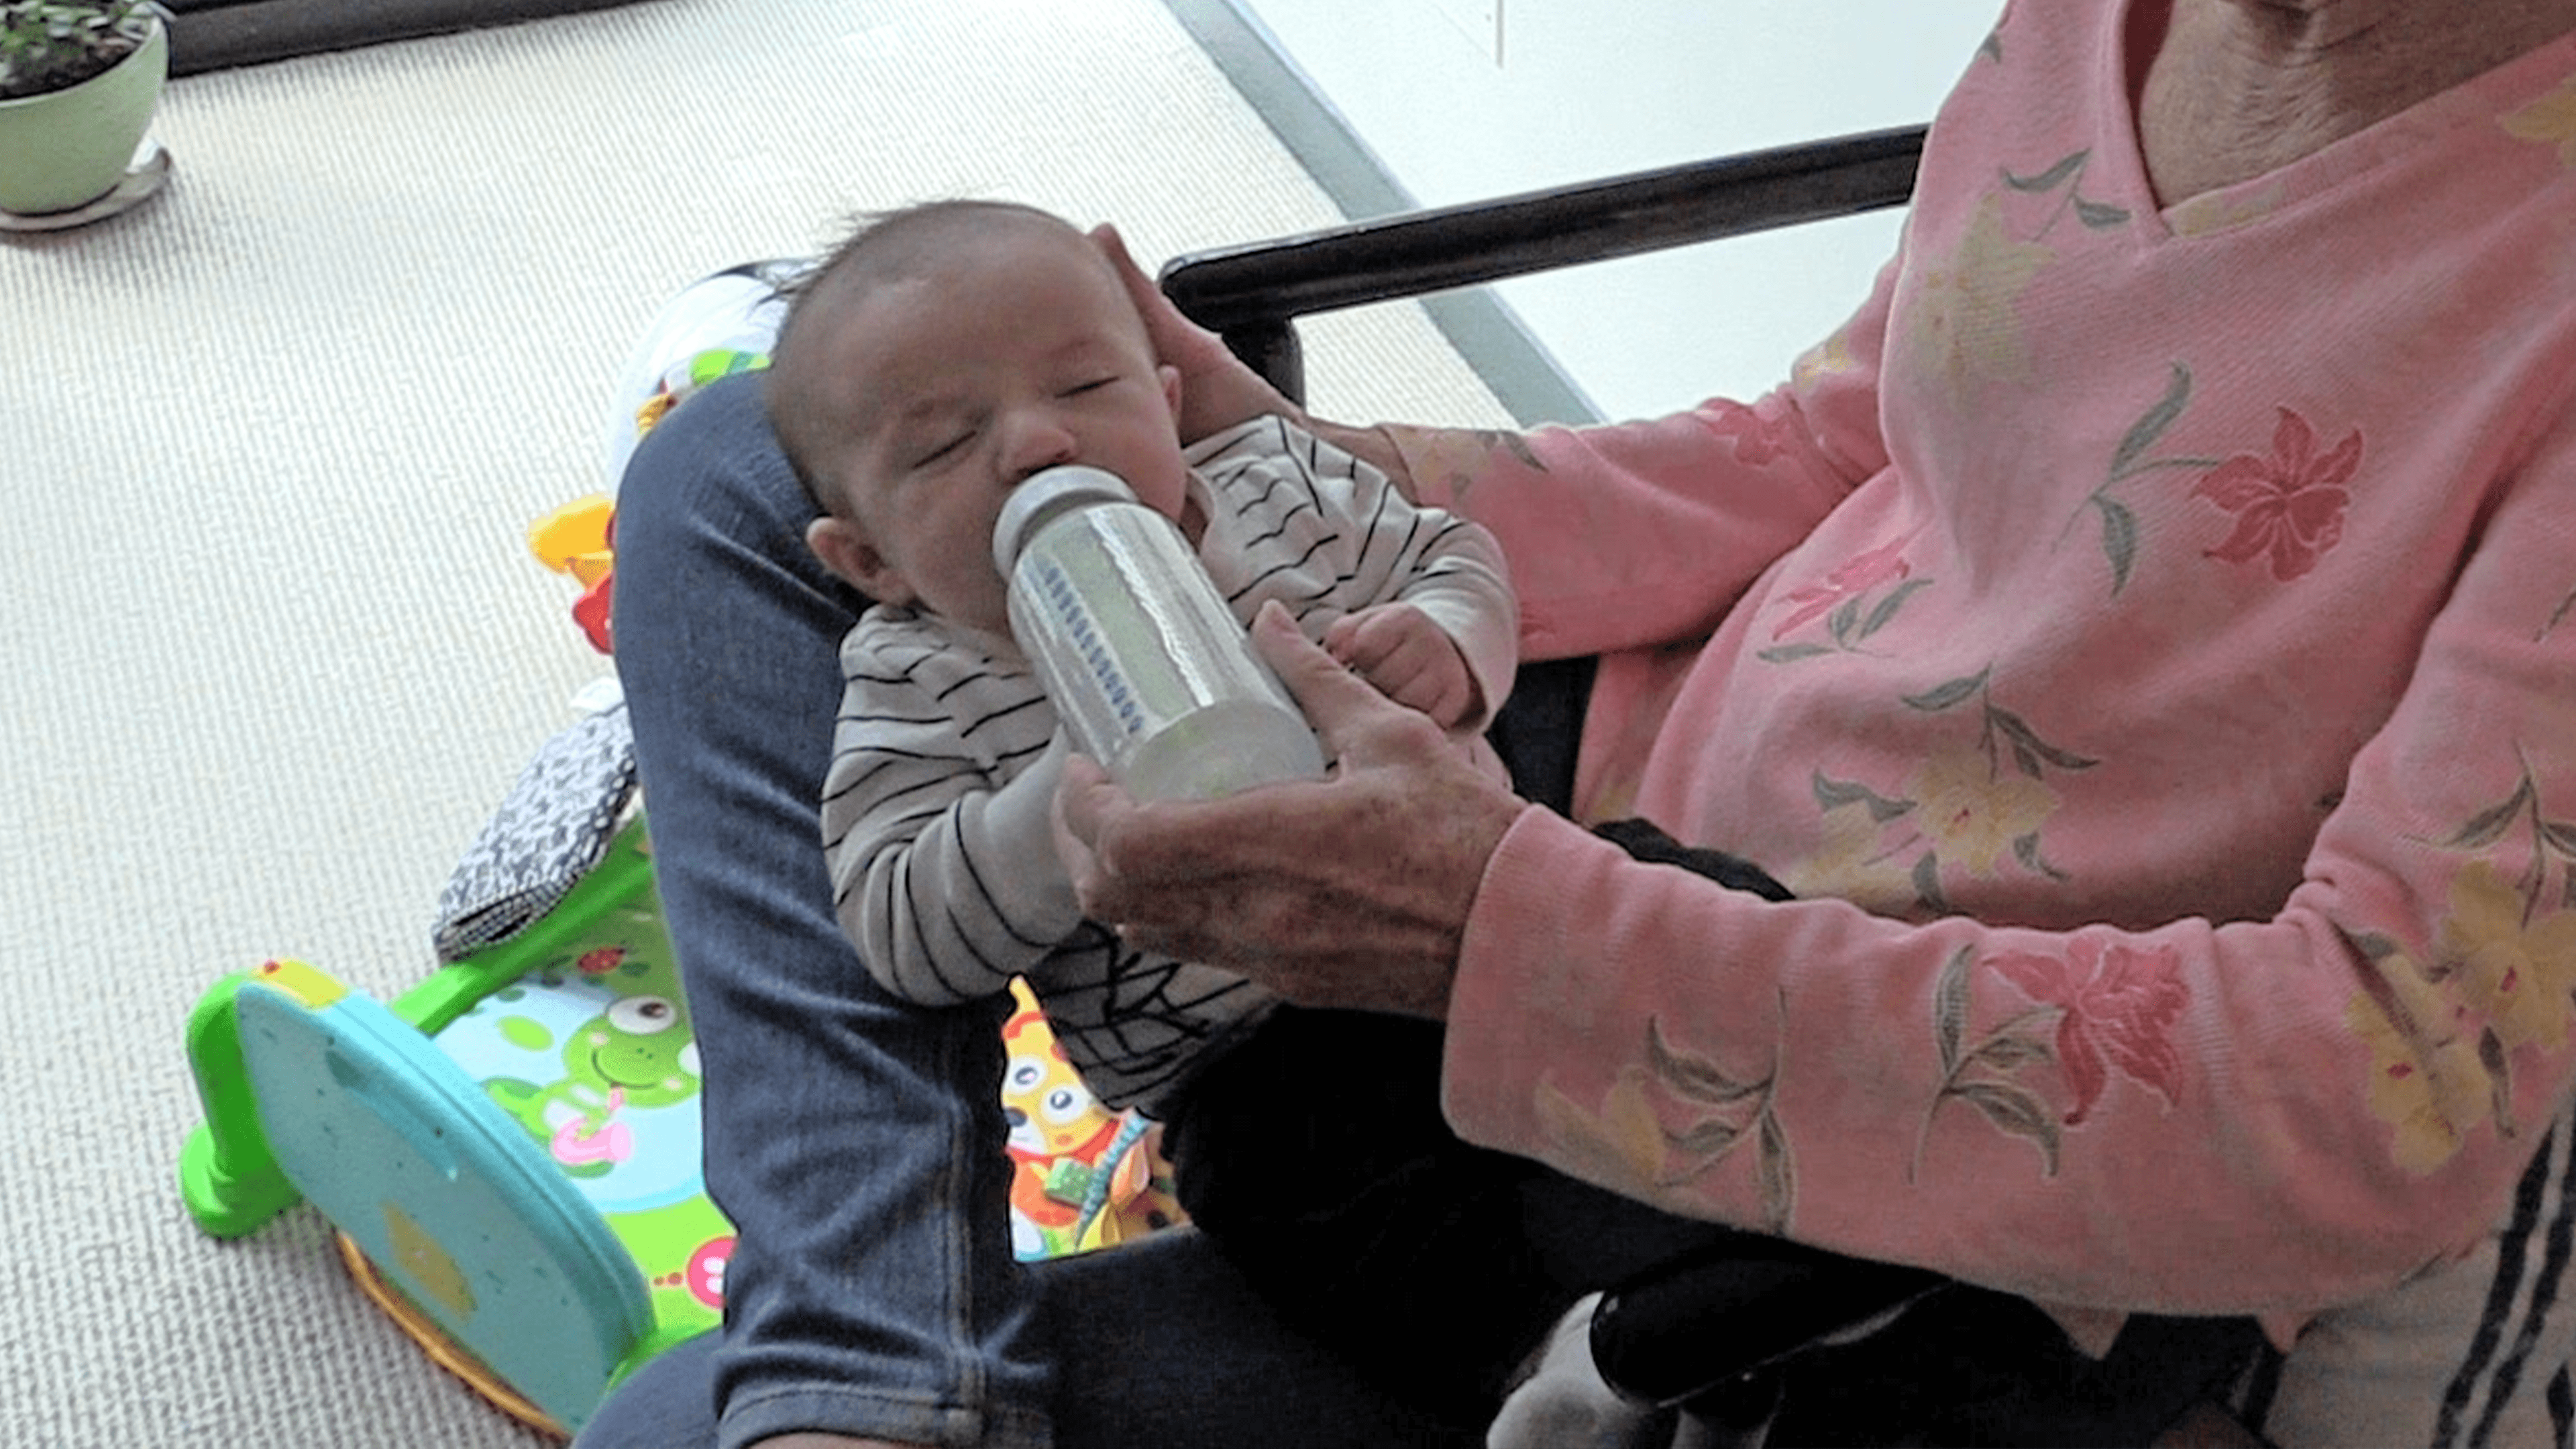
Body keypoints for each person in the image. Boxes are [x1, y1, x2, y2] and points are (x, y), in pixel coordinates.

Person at [585, 1, 2576, 1446]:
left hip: (1912, 1139)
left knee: (674, 1431)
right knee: (752, 461)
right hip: (1612, 790)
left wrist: (1502, 934)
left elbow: (2376, 1087)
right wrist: (1307, 482)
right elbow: (1836, 444)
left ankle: (866, 1376)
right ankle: (872, 1359)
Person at [771, 199, 1516, 1116]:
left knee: (1665, 900)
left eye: (1086, 386)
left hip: (1503, 902)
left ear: (1168, 407)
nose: (1039, 443)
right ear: (869, 560)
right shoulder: (919, 680)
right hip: (1263, 1072)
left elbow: (1453, 553)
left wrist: (1449, 640)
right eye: (945, 444)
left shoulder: (1278, 486)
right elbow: (898, 933)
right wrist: (1052, 817)